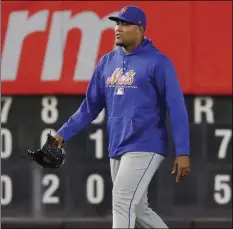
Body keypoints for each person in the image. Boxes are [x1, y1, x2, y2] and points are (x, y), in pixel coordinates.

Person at [54, 5, 191, 229]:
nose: (118, 28)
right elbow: (90, 107)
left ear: (140, 28)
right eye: (116, 23)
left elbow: (176, 109)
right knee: (138, 210)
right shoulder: (107, 62)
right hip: (118, 145)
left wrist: (183, 151)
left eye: (125, 23)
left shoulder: (158, 63)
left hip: (146, 143)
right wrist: (62, 133)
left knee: (121, 200)